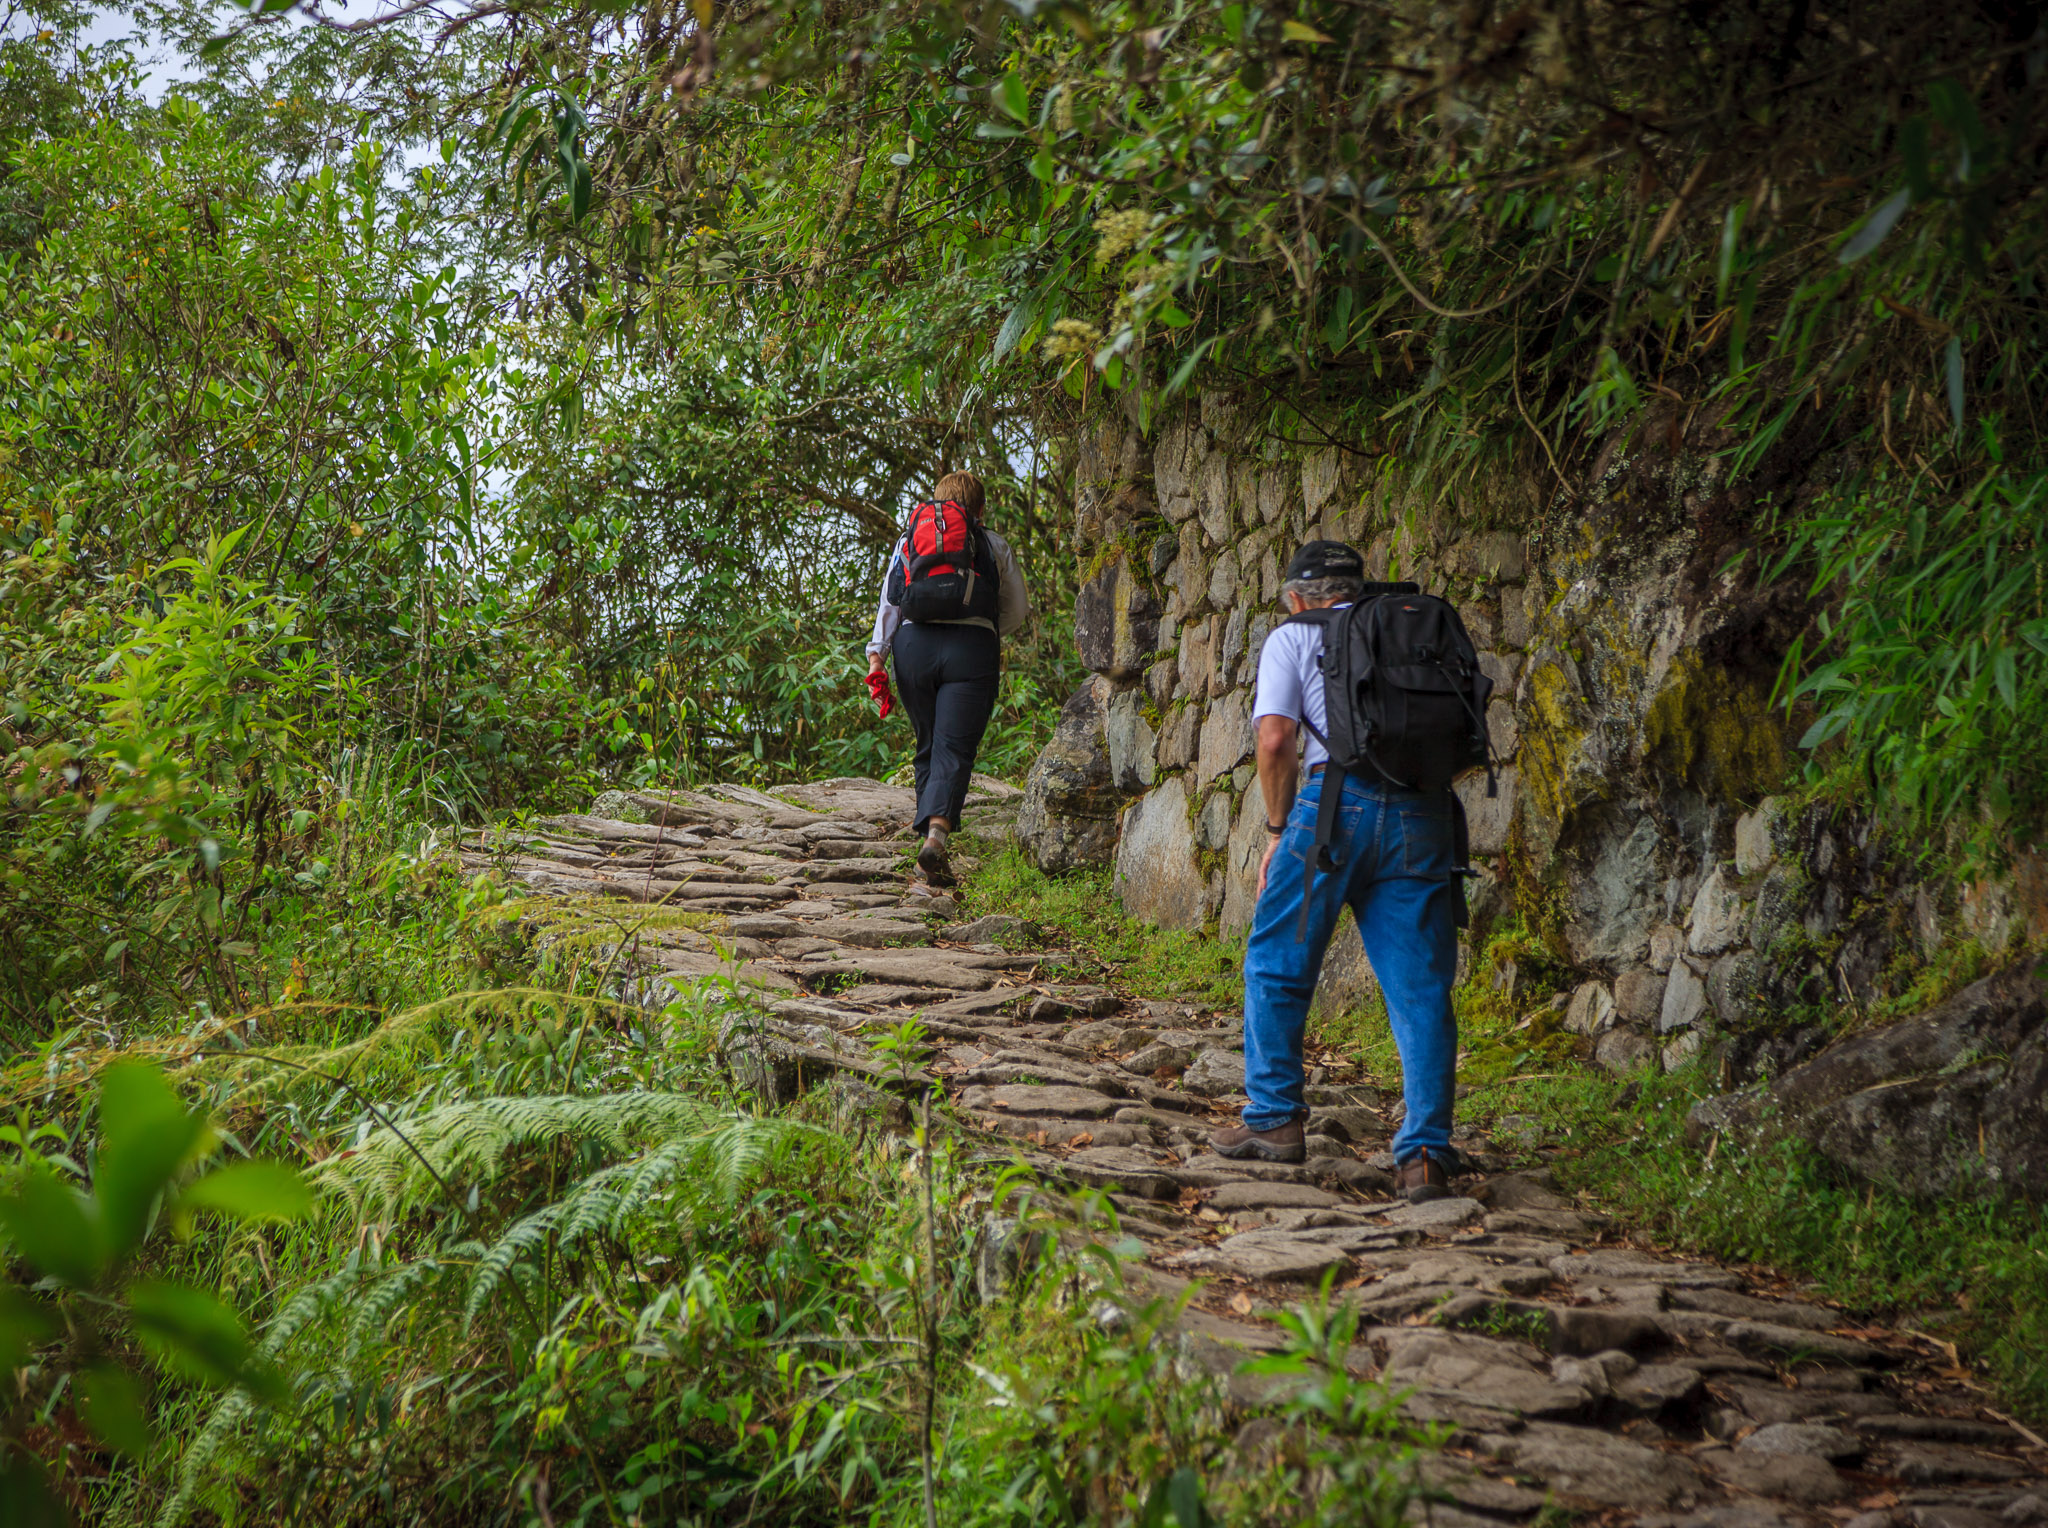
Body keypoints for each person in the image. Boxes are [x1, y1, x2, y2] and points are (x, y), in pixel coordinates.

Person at [1208, 540, 1462, 1204]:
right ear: (1361, 587)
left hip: (1331, 810)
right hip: (1421, 812)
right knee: (1420, 988)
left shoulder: (1294, 635)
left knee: (1277, 961)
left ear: (1295, 597)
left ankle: (1272, 1119)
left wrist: (1274, 830)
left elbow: (1274, 739)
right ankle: (1426, 1155)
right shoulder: (1412, 628)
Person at [866, 471, 1031, 885]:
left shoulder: (910, 539)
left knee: (929, 741)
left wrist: (877, 657)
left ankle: (928, 842)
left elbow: (891, 602)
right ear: (980, 508)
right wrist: (987, 629)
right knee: (953, 746)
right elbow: (1018, 609)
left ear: (937, 503)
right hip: (971, 648)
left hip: (912, 648)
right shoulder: (991, 543)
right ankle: (936, 838)